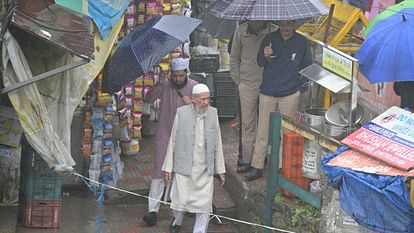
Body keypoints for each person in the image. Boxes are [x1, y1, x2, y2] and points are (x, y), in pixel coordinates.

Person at [245, 20, 312, 181]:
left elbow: (308, 67)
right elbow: (260, 62)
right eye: (282, 25)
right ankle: (257, 166)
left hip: (289, 93)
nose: (285, 28)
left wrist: (299, 90)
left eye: (288, 25)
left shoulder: (302, 42)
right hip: (268, 91)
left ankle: (284, 168)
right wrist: (265, 55)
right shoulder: (269, 38)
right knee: (262, 131)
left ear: (294, 25)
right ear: (278, 25)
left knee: (286, 134)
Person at [162, 84, 226, 233]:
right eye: (202, 99)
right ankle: (176, 222)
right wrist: (168, 167)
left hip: (205, 169)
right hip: (184, 167)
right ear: (193, 99)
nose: (206, 102)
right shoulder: (181, 113)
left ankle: (199, 231)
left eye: (208, 99)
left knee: (204, 205)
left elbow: (218, 142)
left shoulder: (213, 113)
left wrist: (220, 169)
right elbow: (173, 140)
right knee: (180, 201)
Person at [142, 57, 198, 226]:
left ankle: (178, 215)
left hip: (186, 136)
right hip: (165, 133)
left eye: (181, 76)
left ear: (186, 74)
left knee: (181, 174)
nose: (178, 79)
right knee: (159, 171)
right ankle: (152, 210)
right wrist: (160, 81)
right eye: (175, 76)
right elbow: (149, 98)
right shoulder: (165, 84)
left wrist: (193, 102)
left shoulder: (195, 87)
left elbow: (205, 108)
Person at [230, 21, 277, 173]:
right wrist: (239, 81)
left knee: (265, 126)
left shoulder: (273, 31)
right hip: (247, 84)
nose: (257, 22)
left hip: (268, 86)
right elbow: (234, 57)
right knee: (247, 124)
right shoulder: (241, 31)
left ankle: (262, 159)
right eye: (254, 18)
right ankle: (246, 160)